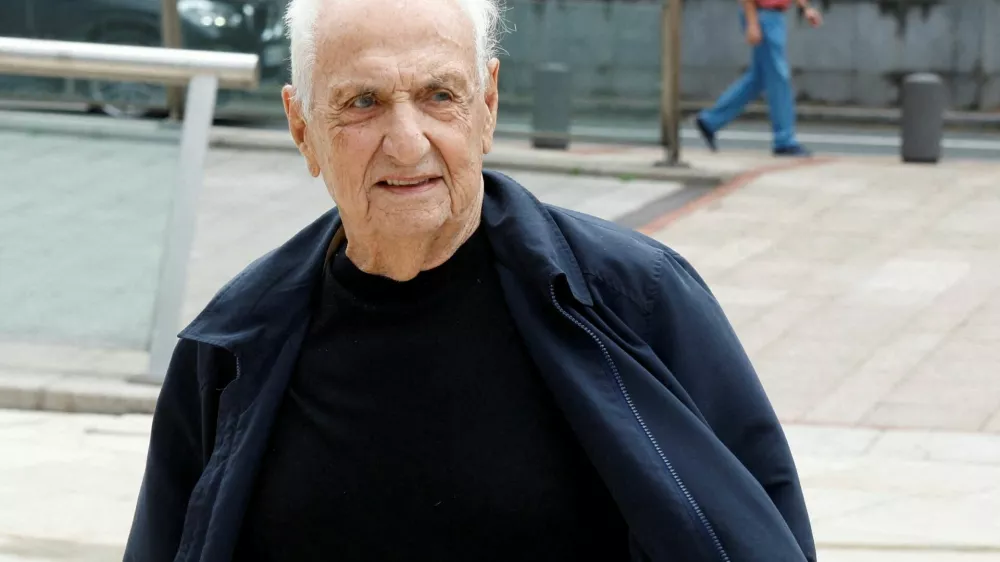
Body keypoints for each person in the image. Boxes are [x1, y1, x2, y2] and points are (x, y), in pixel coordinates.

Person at [123, 0, 816, 560]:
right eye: (362, 102)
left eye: (438, 95)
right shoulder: (232, 346)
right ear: (302, 128)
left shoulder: (637, 302)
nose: (406, 140)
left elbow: (760, 529)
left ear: (485, 106)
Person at [696, 0, 823, 156]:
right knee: (778, 77)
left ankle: (710, 120)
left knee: (758, 78)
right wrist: (752, 23)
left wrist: (805, 8)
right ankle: (784, 140)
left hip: (771, 17)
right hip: (763, 16)